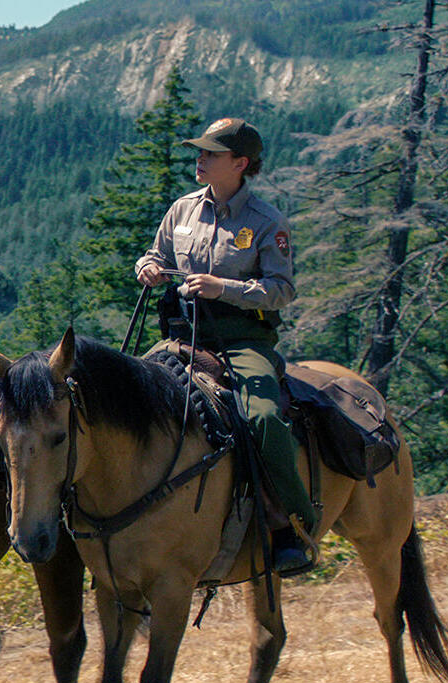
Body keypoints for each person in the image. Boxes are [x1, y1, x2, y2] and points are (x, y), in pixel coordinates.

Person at [134, 117, 316, 574]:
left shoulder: (267, 222)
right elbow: (156, 254)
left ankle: (289, 526)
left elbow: (281, 290)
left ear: (240, 163)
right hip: (181, 337)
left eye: (211, 153)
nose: (200, 158)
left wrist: (225, 288)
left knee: (264, 418)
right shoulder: (182, 210)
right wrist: (148, 267)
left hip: (241, 339)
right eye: (200, 151)